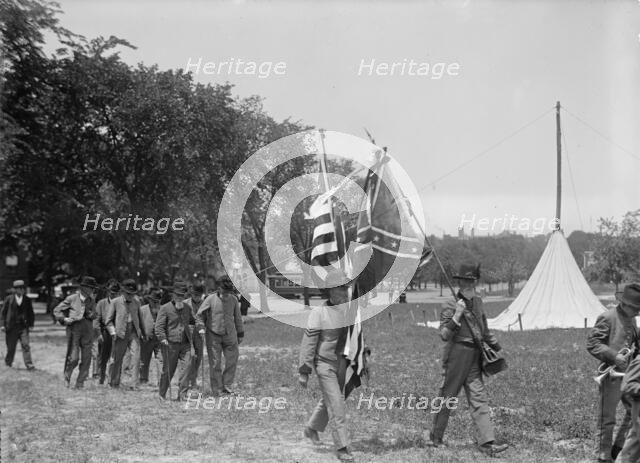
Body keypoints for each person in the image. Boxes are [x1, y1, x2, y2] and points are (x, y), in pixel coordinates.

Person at [428, 263, 508, 457]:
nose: (467, 284)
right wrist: (457, 314)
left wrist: (498, 348)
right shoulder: (450, 303)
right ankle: (435, 438)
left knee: (478, 397)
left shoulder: (478, 302)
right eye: (464, 280)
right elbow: (444, 334)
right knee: (447, 396)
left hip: (475, 356)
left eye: (471, 280)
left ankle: (486, 443)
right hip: (456, 355)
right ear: (458, 282)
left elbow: (485, 331)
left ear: (475, 281)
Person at [298, 268, 353, 462]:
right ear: (330, 290)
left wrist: (364, 355)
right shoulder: (318, 312)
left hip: (341, 363)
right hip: (324, 364)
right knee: (336, 405)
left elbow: (356, 336)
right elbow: (309, 341)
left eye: (346, 288)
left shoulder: (349, 310)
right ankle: (342, 448)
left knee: (331, 399)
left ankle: (311, 428)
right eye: (341, 289)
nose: (345, 293)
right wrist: (304, 371)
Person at [587, 283, 640, 462]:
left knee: (631, 415)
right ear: (625, 304)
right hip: (611, 376)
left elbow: (634, 341)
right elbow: (593, 343)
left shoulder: (632, 319)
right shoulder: (607, 317)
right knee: (607, 419)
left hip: (629, 376)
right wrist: (614, 356)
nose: (638, 312)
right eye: (636, 308)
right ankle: (603, 456)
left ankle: (619, 448)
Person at [196, 276, 244, 396]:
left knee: (232, 360)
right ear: (219, 288)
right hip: (213, 335)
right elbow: (199, 315)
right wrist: (201, 328)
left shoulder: (233, 299)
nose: (227, 294)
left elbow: (238, 317)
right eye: (225, 291)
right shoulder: (210, 299)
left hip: (230, 335)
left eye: (229, 291)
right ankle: (217, 389)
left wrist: (240, 333)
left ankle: (227, 386)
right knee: (215, 363)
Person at [53, 276, 99, 389]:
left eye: (93, 288)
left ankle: (80, 382)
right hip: (74, 330)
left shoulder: (92, 300)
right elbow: (57, 310)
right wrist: (64, 319)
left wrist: (91, 314)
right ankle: (67, 377)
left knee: (87, 358)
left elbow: (95, 314)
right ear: (84, 288)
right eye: (91, 288)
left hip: (87, 331)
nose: (93, 290)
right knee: (74, 358)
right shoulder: (72, 298)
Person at [155, 282, 194, 400]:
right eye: (177, 295)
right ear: (173, 295)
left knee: (186, 368)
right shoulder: (165, 308)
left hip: (185, 344)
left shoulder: (187, 308)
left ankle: (182, 395)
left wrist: (198, 328)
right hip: (170, 344)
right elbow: (158, 327)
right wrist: (162, 338)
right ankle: (162, 394)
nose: (179, 297)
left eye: (182, 295)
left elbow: (192, 321)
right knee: (168, 371)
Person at [106, 279, 143, 390]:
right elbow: (108, 320)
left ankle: (134, 384)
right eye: (128, 293)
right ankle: (113, 382)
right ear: (122, 292)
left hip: (134, 333)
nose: (130, 296)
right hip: (120, 333)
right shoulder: (115, 302)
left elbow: (140, 318)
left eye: (133, 294)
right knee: (117, 359)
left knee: (136, 358)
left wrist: (142, 332)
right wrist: (113, 332)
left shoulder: (137, 302)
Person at [1, 280, 35, 370]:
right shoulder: (8, 299)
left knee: (26, 345)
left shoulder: (27, 299)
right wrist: (2, 325)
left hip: (23, 327)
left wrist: (31, 324)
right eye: (20, 288)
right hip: (11, 327)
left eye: (23, 288)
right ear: (15, 290)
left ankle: (29, 365)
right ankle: (8, 363)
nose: (22, 290)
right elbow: (3, 313)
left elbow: (31, 312)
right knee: (11, 346)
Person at [92, 279, 120, 384]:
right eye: (111, 293)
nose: (113, 295)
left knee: (116, 357)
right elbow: (96, 320)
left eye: (115, 293)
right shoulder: (101, 303)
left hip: (118, 332)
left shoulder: (121, 303)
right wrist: (98, 334)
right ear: (108, 291)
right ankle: (101, 377)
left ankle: (113, 380)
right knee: (103, 356)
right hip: (105, 333)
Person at [139, 287, 163, 386]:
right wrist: (141, 334)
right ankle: (143, 379)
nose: (155, 303)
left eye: (157, 301)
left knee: (161, 359)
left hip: (159, 339)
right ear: (149, 300)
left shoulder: (162, 310)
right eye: (153, 301)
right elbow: (138, 323)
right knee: (144, 360)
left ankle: (161, 381)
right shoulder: (142, 310)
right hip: (146, 339)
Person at [184, 283, 205, 390]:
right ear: (191, 294)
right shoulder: (185, 303)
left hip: (200, 333)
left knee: (199, 357)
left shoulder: (205, 303)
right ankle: (188, 380)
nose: (196, 297)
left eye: (199, 295)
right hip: (189, 332)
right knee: (191, 357)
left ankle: (193, 378)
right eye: (194, 294)